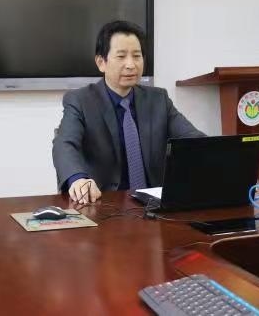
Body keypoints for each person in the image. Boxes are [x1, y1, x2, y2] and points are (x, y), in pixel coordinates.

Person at [52, 20, 205, 204]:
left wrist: (218, 156)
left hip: (154, 206)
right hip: (104, 204)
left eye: (137, 56)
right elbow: (65, 144)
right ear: (101, 62)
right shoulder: (81, 101)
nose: (131, 64)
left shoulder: (158, 100)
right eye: (121, 56)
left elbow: (192, 139)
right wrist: (78, 179)